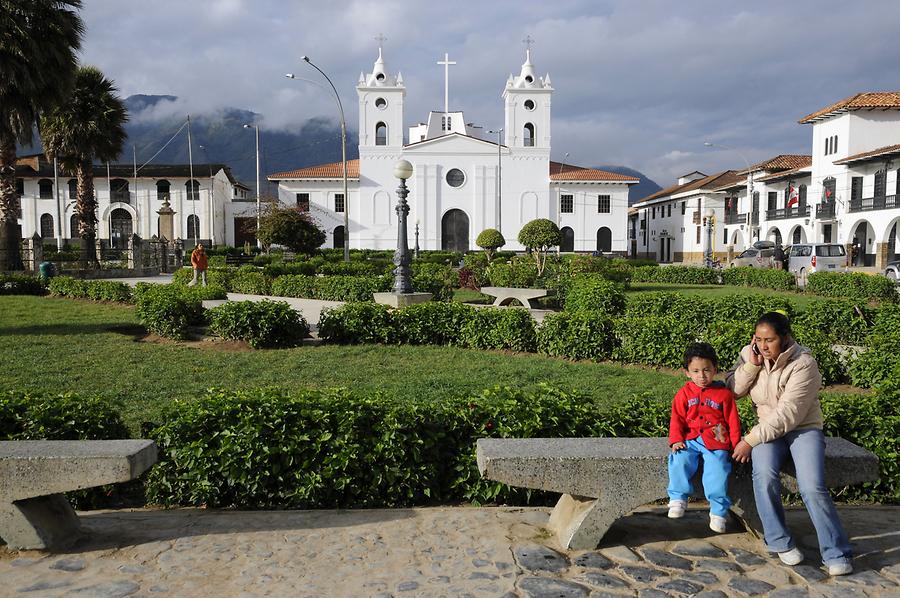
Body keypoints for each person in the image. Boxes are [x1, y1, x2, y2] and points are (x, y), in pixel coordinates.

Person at [727, 312, 853, 576]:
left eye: (769, 340)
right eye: (758, 339)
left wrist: (749, 440)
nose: (763, 345)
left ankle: (836, 552)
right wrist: (751, 366)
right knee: (763, 476)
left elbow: (788, 415)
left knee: (812, 487)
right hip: (767, 431)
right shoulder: (751, 355)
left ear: (785, 338)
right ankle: (779, 541)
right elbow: (733, 391)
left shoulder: (804, 364)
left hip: (803, 429)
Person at [667, 342, 741, 533]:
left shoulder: (723, 395)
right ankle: (677, 498)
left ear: (715, 369)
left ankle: (718, 512)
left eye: (707, 370)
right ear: (687, 373)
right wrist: (676, 439)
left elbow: (733, 422)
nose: (702, 376)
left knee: (718, 469)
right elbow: (676, 418)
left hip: (716, 441)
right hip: (690, 439)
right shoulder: (683, 394)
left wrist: (734, 446)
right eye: (696, 371)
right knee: (679, 460)